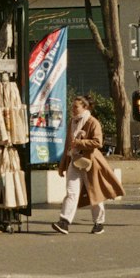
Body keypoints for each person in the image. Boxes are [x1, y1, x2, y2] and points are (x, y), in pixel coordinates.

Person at [52, 95, 124, 236]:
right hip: (74, 161)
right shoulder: (72, 122)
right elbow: (68, 144)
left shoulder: (93, 122)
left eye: (76, 107)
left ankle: (99, 223)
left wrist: (80, 143)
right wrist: (62, 165)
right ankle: (64, 222)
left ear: (85, 107)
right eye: (72, 106)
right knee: (71, 192)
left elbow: (98, 142)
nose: (73, 109)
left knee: (94, 193)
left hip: (90, 162)